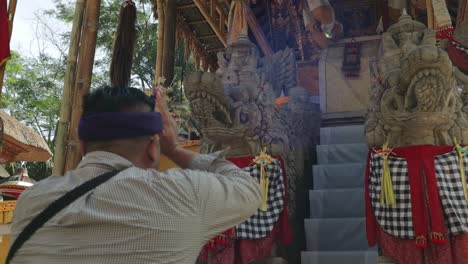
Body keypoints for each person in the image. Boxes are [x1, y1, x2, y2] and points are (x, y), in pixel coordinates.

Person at [9, 85, 262, 264]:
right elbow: (250, 189)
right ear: (154, 148)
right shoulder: (182, 195)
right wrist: (174, 149)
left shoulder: (32, 201)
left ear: (84, 146)